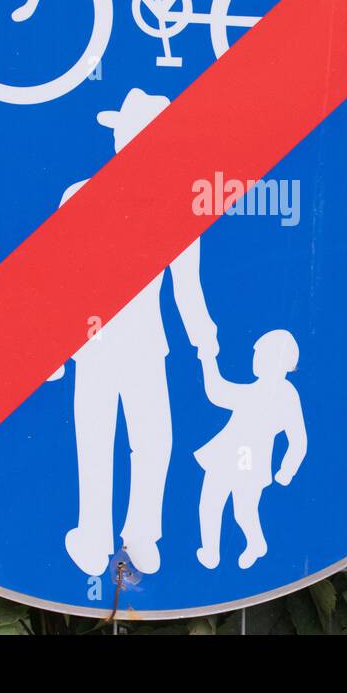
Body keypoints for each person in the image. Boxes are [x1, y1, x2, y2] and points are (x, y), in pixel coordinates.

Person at [48, 88, 218, 577]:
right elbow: (59, 277)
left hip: (144, 344)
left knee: (153, 439)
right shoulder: (80, 195)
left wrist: (206, 341)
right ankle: (95, 537)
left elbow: (188, 287)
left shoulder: (177, 208)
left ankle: (141, 532)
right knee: (98, 439)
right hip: (95, 344)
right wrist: (54, 351)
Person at [194, 329, 307, 570]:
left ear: (281, 362)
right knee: (211, 504)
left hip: (250, 460)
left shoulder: (285, 395)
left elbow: (298, 439)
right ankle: (211, 552)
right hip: (228, 456)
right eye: (257, 355)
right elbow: (217, 393)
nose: (256, 359)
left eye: (262, 355)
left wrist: (288, 469)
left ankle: (255, 543)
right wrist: (207, 359)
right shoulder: (258, 390)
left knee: (242, 511)